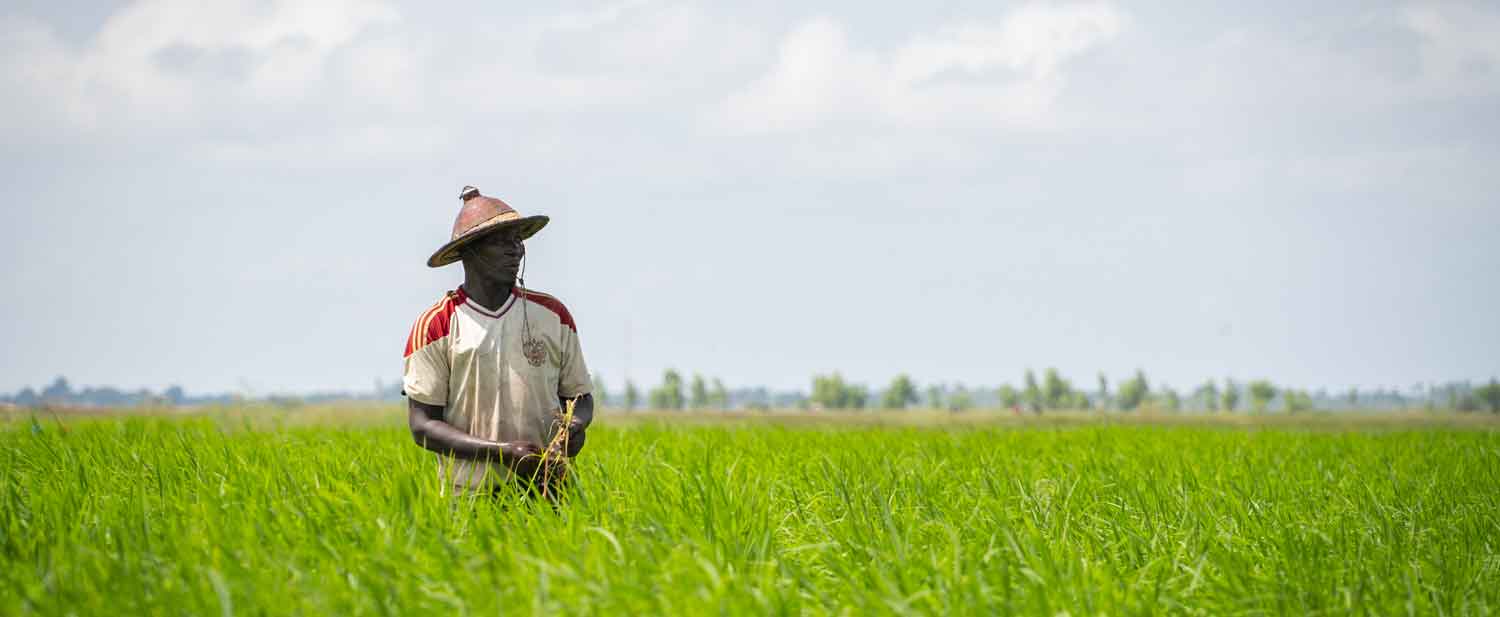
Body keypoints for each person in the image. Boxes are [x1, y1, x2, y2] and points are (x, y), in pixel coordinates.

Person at [402, 186, 595, 497]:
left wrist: (577, 426)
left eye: (517, 241)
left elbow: (579, 398)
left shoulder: (552, 315)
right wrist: (504, 452)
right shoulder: (436, 324)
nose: (515, 250)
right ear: (470, 251)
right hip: (470, 496)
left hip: (550, 491)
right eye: (500, 242)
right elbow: (423, 427)